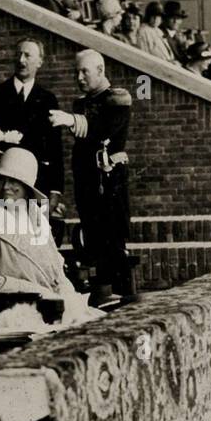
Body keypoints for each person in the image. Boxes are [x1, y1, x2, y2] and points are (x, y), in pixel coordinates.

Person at [0, 147, 101, 327]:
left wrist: (68, 295)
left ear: (27, 188)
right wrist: (32, 289)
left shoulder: (36, 218)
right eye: (2, 180)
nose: (6, 187)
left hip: (55, 305)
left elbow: (56, 267)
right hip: (20, 310)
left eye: (14, 181)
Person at [49, 50, 135, 305]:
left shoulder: (118, 98)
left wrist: (71, 120)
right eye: (77, 72)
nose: (79, 77)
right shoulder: (82, 103)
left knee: (112, 238)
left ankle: (120, 297)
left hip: (109, 181)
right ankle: (103, 295)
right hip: (86, 178)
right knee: (92, 238)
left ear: (100, 70)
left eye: (84, 71)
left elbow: (101, 129)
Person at [0, 39, 66, 215]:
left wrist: (55, 191)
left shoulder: (48, 99)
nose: (21, 60)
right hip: (4, 186)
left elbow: (55, 149)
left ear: (39, 62)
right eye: (18, 54)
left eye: (27, 55)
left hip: (36, 184)